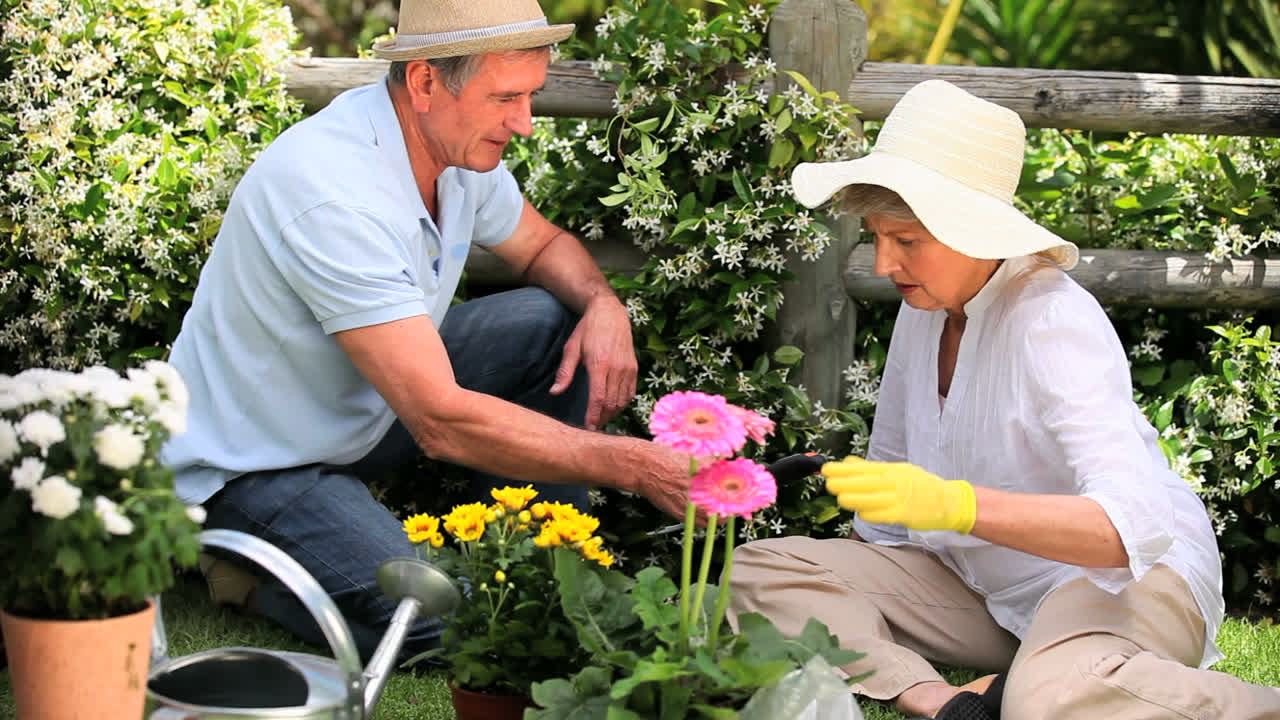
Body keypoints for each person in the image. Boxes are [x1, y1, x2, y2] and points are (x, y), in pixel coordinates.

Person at [729, 79, 1280, 720]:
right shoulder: (923, 309)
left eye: (905, 241)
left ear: (975, 232)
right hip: (984, 587)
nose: (883, 264)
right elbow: (883, 527)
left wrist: (954, 505)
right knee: (759, 571)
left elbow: (1133, 530)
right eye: (876, 236)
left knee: (1048, 698)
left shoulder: (1053, 319)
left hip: (1125, 582)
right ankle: (942, 701)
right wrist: (855, 569)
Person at [163, 0, 693, 662]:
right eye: (506, 98)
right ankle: (251, 578)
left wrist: (603, 304)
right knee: (466, 623)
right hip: (254, 462)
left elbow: (539, 247)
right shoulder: (332, 192)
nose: (524, 124)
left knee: (550, 321)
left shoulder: (455, 149)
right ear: (424, 83)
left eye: (530, 97)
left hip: (364, 408)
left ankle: (547, 563)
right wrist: (636, 465)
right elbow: (440, 423)